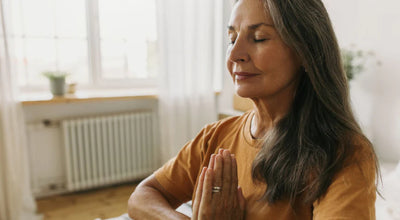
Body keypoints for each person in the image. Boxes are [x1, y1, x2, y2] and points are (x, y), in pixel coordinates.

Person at [128, 0, 379, 219]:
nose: (235, 54)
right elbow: (143, 196)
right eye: (232, 38)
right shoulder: (214, 137)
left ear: (306, 50)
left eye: (259, 37)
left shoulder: (345, 154)